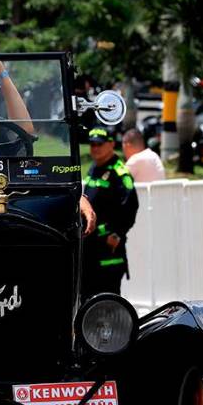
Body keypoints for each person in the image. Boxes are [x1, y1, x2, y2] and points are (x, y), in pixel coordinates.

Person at [82, 127, 139, 296]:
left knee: (107, 303)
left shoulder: (119, 172)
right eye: (92, 144)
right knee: (86, 298)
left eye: (99, 144)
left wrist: (116, 234)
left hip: (108, 250)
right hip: (89, 248)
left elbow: (131, 205)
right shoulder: (94, 169)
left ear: (111, 144)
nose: (95, 148)